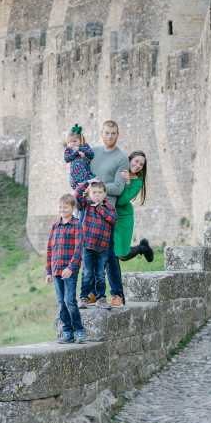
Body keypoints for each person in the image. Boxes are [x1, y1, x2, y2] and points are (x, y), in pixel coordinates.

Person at [90, 120, 129, 307]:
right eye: (107, 133)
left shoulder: (122, 158)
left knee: (109, 255)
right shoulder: (94, 153)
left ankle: (117, 294)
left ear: (118, 134)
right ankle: (92, 293)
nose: (110, 136)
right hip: (88, 211)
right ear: (101, 133)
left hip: (107, 212)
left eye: (113, 133)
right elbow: (82, 176)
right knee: (89, 253)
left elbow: (119, 187)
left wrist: (98, 188)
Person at [45, 193, 86, 344]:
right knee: (61, 302)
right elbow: (50, 249)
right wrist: (48, 271)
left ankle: (80, 331)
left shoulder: (76, 225)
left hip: (69, 271)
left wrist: (71, 267)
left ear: (72, 207)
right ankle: (68, 332)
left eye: (66, 207)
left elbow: (78, 249)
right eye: (61, 207)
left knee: (70, 301)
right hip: (56, 270)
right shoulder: (55, 226)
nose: (63, 209)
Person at [75, 178, 116, 309]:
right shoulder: (85, 205)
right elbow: (77, 195)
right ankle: (84, 298)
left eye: (99, 192)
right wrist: (88, 183)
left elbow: (113, 219)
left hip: (102, 247)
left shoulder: (108, 207)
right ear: (89, 194)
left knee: (100, 274)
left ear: (104, 194)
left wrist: (100, 208)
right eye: (94, 192)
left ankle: (101, 299)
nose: (97, 195)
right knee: (87, 273)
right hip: (87, 246)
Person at [115, 151, 154, 262]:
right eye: (136, 161)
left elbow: (122, 201)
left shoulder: (138, 182)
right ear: (130, 159)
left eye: (141, 165)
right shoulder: (119, 169)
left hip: (124, 217)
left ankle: (143, 248)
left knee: (122, 255)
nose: (137, 166)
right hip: (110, 214)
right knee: (110, 251)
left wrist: (127, 182)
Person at [64, 124, 95, 189]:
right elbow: (66, 159)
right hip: (74, 176)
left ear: (80, 140)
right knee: (77, 192)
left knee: (86, 190)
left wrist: (80, 149)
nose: (72, 143)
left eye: (75, 141)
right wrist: (76, 153)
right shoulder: (69, 149)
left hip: (85, 175)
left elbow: (91, 154)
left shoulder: (84, 146)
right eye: (70, 142)